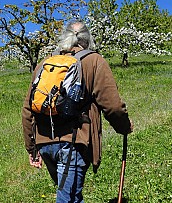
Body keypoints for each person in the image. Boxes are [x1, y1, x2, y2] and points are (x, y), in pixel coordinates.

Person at [22, 20, 133, 202]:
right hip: (73, 142)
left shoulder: (45, 63)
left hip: (45, 143)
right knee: (69, 199)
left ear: (64, 38)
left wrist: (32, 147)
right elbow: (112, 105)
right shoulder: (94, 61)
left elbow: (28, 109)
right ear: (87, 39)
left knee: (69, 194)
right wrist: (124, 126)